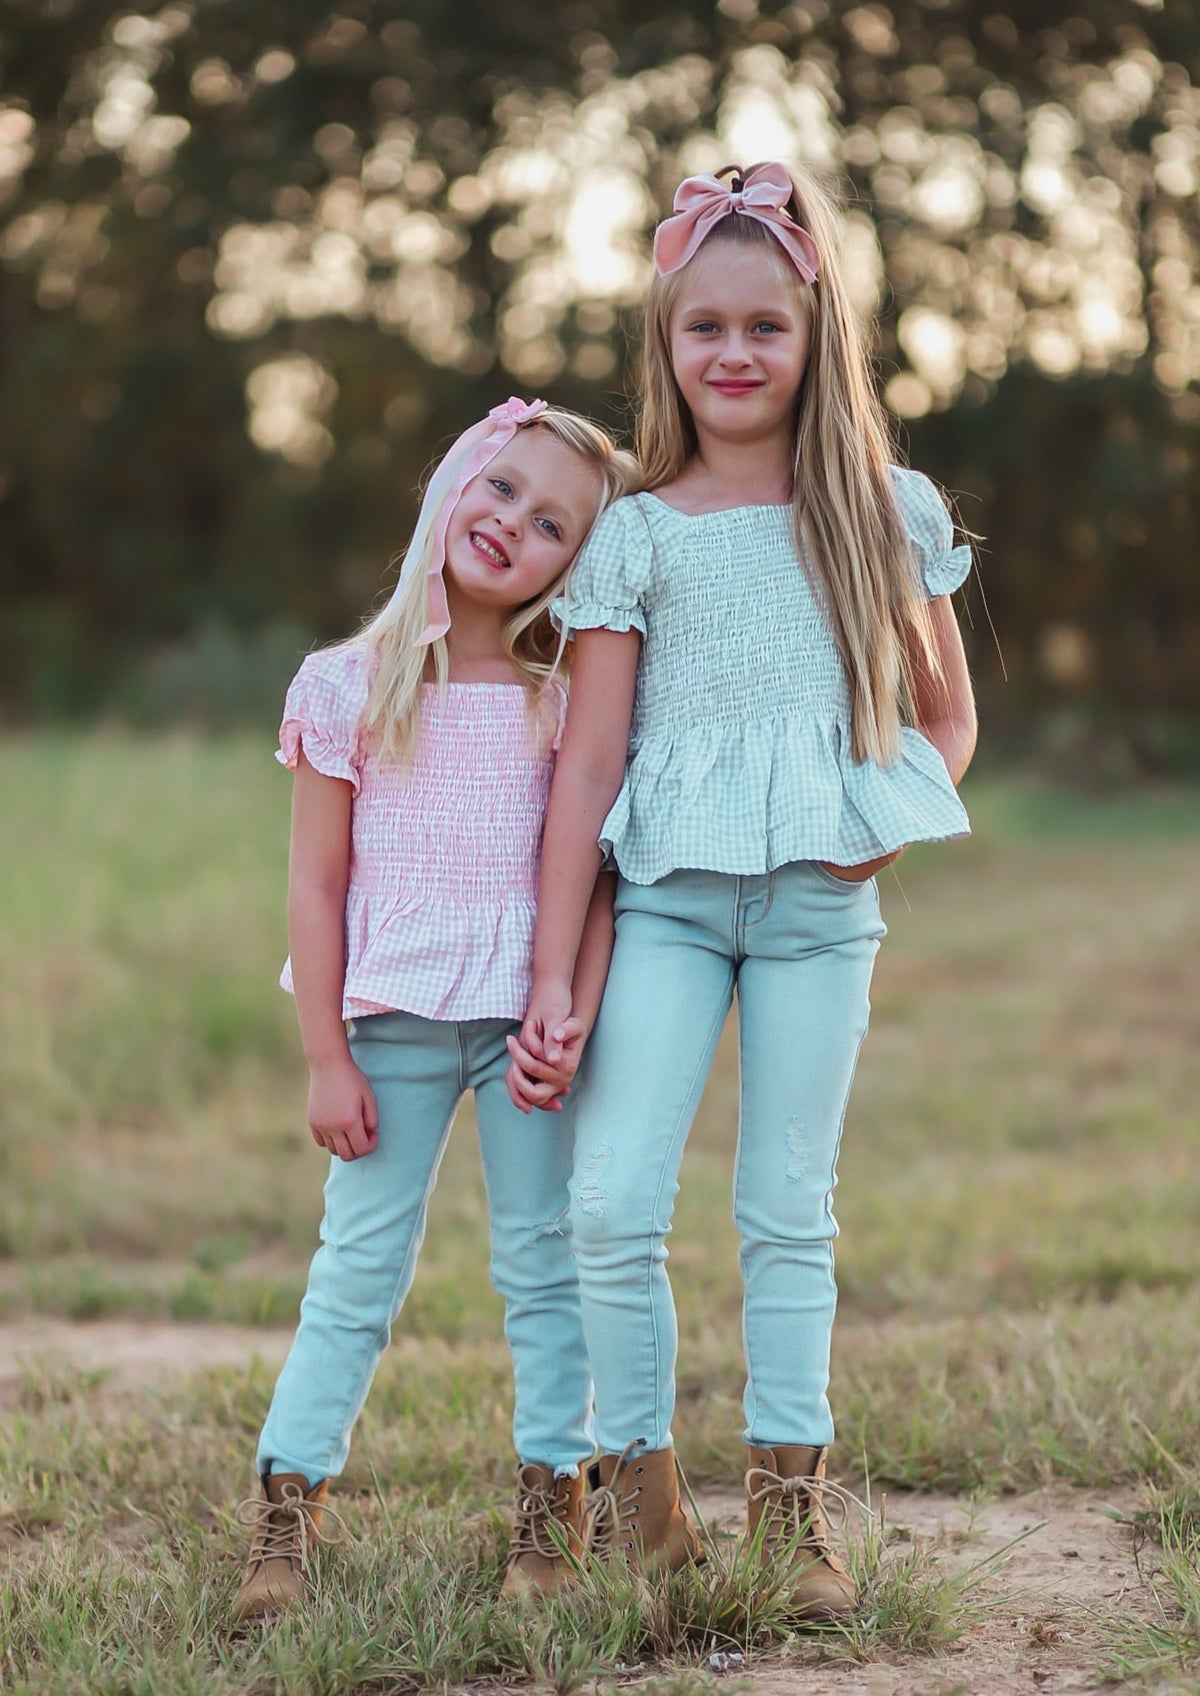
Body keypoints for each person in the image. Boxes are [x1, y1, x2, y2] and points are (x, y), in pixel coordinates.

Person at [507, 164, 978, 1619]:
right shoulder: (637, 530)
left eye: (762, 326)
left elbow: (947, 715)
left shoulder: (878, 507)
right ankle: (643, 1497)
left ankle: (792, 1506)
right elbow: (586, 774)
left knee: (787, 1207)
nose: (731, 354)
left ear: (812, 326)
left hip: (817, 919)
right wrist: (547, 973)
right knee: (609, 1202)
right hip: (664, 908)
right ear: (665, 342)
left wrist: (875, 833)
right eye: (702, 327)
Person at [232, 398, 640, 1624]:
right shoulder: (347, 683)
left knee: (542, 1263)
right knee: (355, 1271)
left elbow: (603, 877)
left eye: (554, 523)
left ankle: (549, 1503)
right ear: (455, 483)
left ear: (577, 561)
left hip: (523, 1030)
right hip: (389, 1024)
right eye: (502, 490)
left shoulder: (564, 696)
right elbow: (315, 882)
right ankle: (284, 1511)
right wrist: (323, 1058)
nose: (515, 525)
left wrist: (570, 1015)